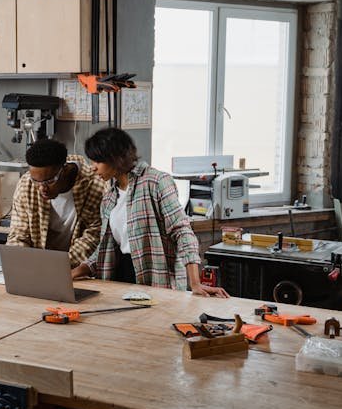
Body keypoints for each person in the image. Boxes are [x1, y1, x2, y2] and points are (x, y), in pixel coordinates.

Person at [71, 127, 228, 297]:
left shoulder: (157, 182)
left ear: (115, 158)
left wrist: (195, 283)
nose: (93, 168)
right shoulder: (109, 198)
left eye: (97, 162)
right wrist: (74, 273)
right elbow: (104, 249)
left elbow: (182, 232)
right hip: (120, 279)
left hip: (156, 280)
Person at [7, 138, 104, 266]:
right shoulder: (26, 184)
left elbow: (92, 237)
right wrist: (21, 263)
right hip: (37, 266)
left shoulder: (95, 184)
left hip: (77, 267)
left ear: (65, 170)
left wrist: (56, 266)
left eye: (49, 181)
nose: (42, 188)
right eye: (36, 181)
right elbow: (18, 234)